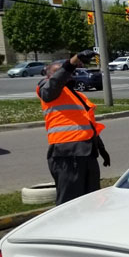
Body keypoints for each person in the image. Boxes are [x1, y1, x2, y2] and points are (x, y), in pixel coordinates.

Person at [37, 50, 110, 205]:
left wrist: (101, 148)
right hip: (67, 155)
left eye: (69, 72)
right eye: (61, 72)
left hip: (87, 152)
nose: (67, 75)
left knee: (92, 200)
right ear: (49, 76)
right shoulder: (47, 89)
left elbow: (89, 125)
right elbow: (54, 84)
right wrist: (71, 62)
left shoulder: (77, 96)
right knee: (69, 203)